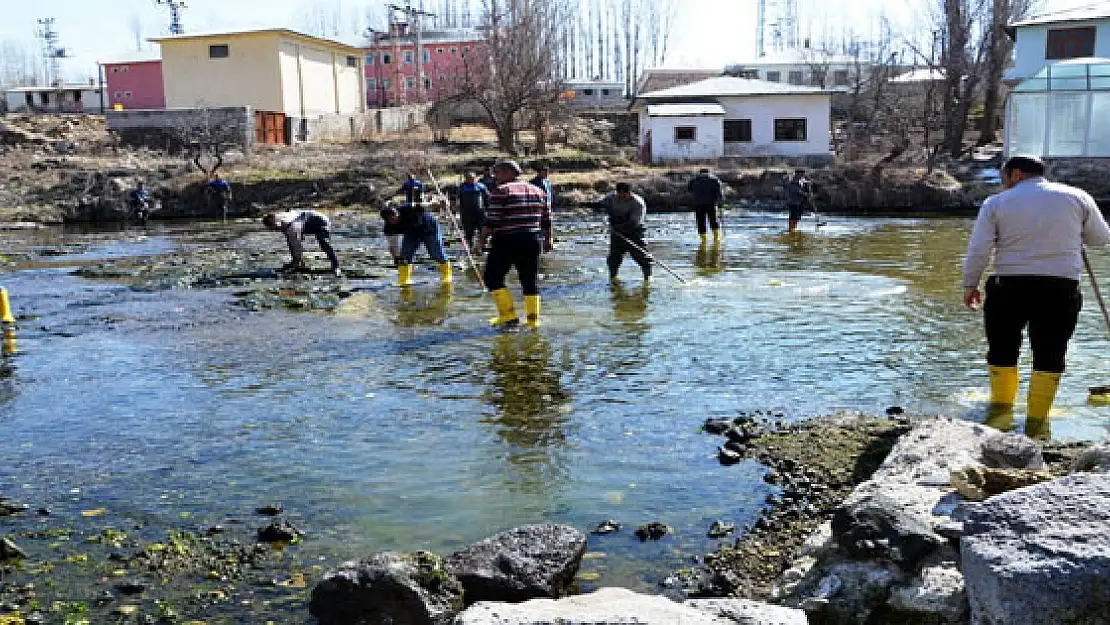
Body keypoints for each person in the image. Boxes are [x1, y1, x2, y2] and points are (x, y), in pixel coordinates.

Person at [963, 155, 1110, 438]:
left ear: (1016, 174)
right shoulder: (1077, 197)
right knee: (1050, 353)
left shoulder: (996, 203)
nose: (1003, 181)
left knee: (1003, 350)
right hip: (1060, 287)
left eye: (1004, 175)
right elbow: (1101, 239)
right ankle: (1037, 423)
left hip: (1009, 286)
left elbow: (979, 249)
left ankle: (1001, 413)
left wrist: (970, 284)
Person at [474, 160, 553, 327]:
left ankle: (508, 317)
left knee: (492, 277)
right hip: (532, 239)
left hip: (507, 239)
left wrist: (480, 241)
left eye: (498, 173)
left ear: (508, 173)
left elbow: (492, 221)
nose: (495, 177)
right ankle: (533, 320)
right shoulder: (538, 190)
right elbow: (546, 219)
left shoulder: (501, 191)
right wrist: (548, 239)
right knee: (529, 280)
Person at [382, 198, 452, 287]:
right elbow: (393, 245)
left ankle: (447, 275)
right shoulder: (388, 228)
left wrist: (439, 203)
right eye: (391, 218)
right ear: (387, 220)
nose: (395, 218)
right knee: (404, 257)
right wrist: (397, 258)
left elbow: (427, 205)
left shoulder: (408, 208)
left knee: (435, 254)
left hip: (429, 229)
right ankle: (404, 280)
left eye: (395, 215)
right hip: (411, 234)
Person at [262, 210, 341, 276]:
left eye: (273, 228)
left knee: (323, 242)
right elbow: (291, 243)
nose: (273, 230)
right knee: (290, 241)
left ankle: (336, 265)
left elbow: (297, 245)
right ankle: (297, 262)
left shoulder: (291, 226)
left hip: (321, 222)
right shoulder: (281, 220)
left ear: (275, 224)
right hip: (305, 221)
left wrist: (297, 261)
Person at [600, 182, 651, 282]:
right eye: (620, 194)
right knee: (613, 259)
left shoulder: (638, 203)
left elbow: (634, 222)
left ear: (629, 192)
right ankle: (613, 278)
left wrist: (618, 228)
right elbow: (601, 205)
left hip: (634, 232)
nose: (622, 197)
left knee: (642, 256)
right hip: (616, 234)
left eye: (624, 194)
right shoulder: (611, 198)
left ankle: (647, 277)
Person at [687, 168, 723, 244]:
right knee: (713, 221)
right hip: (711, 204)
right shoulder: (714, 179)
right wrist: (720, 203)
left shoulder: (694, 180)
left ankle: (704, 240)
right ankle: (716, 239)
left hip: (698, 204)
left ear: (700, 173)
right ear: (708, 172)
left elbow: (689, 190)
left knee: (700, 222)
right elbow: (719, 193)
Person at [457, 171, 490, 251]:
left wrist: (488, 209)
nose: (471, 180)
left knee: (482, 230)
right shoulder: (462, 187)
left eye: (472, 178)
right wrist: (457, 209)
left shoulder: (481, 186)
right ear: (466, 179)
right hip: (467, 213)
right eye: (469, 178)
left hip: (480, 212)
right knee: (468, 230)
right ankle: (470, 246)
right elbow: (459, 199)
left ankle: (483, 245)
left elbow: (487, 198)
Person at [784, 169, 812, 233]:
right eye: (801, 174)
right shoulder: (792, 181)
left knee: (797, 217)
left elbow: (805, 182)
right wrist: (805, 194)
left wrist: (808, 183)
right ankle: (791, 228)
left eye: (803, 174)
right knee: (793, 216)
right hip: (793, 202)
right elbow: (796, 190)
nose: (802, 176)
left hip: (800, 202)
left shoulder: (801, 180)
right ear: (797, 174)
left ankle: (793, 228)